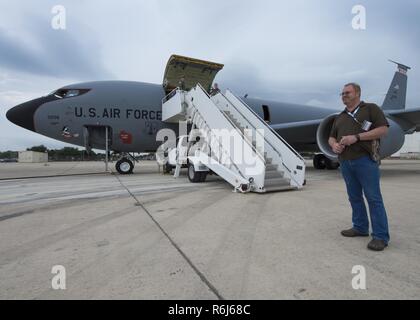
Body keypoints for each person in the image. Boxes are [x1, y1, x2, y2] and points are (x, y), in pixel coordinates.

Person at [328, 83, 390, 251]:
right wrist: (334, 146)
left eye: (347, 92)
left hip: (365, 160)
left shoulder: (370, 109)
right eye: (342, 93)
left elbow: (383, 130)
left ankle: (380, 236)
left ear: (358, 93)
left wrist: (357, 137)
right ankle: (360, 227)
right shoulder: (340, 116)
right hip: (345, 162)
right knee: (354, 197)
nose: (344, 95)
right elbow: (331, 138)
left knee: (373, 198)